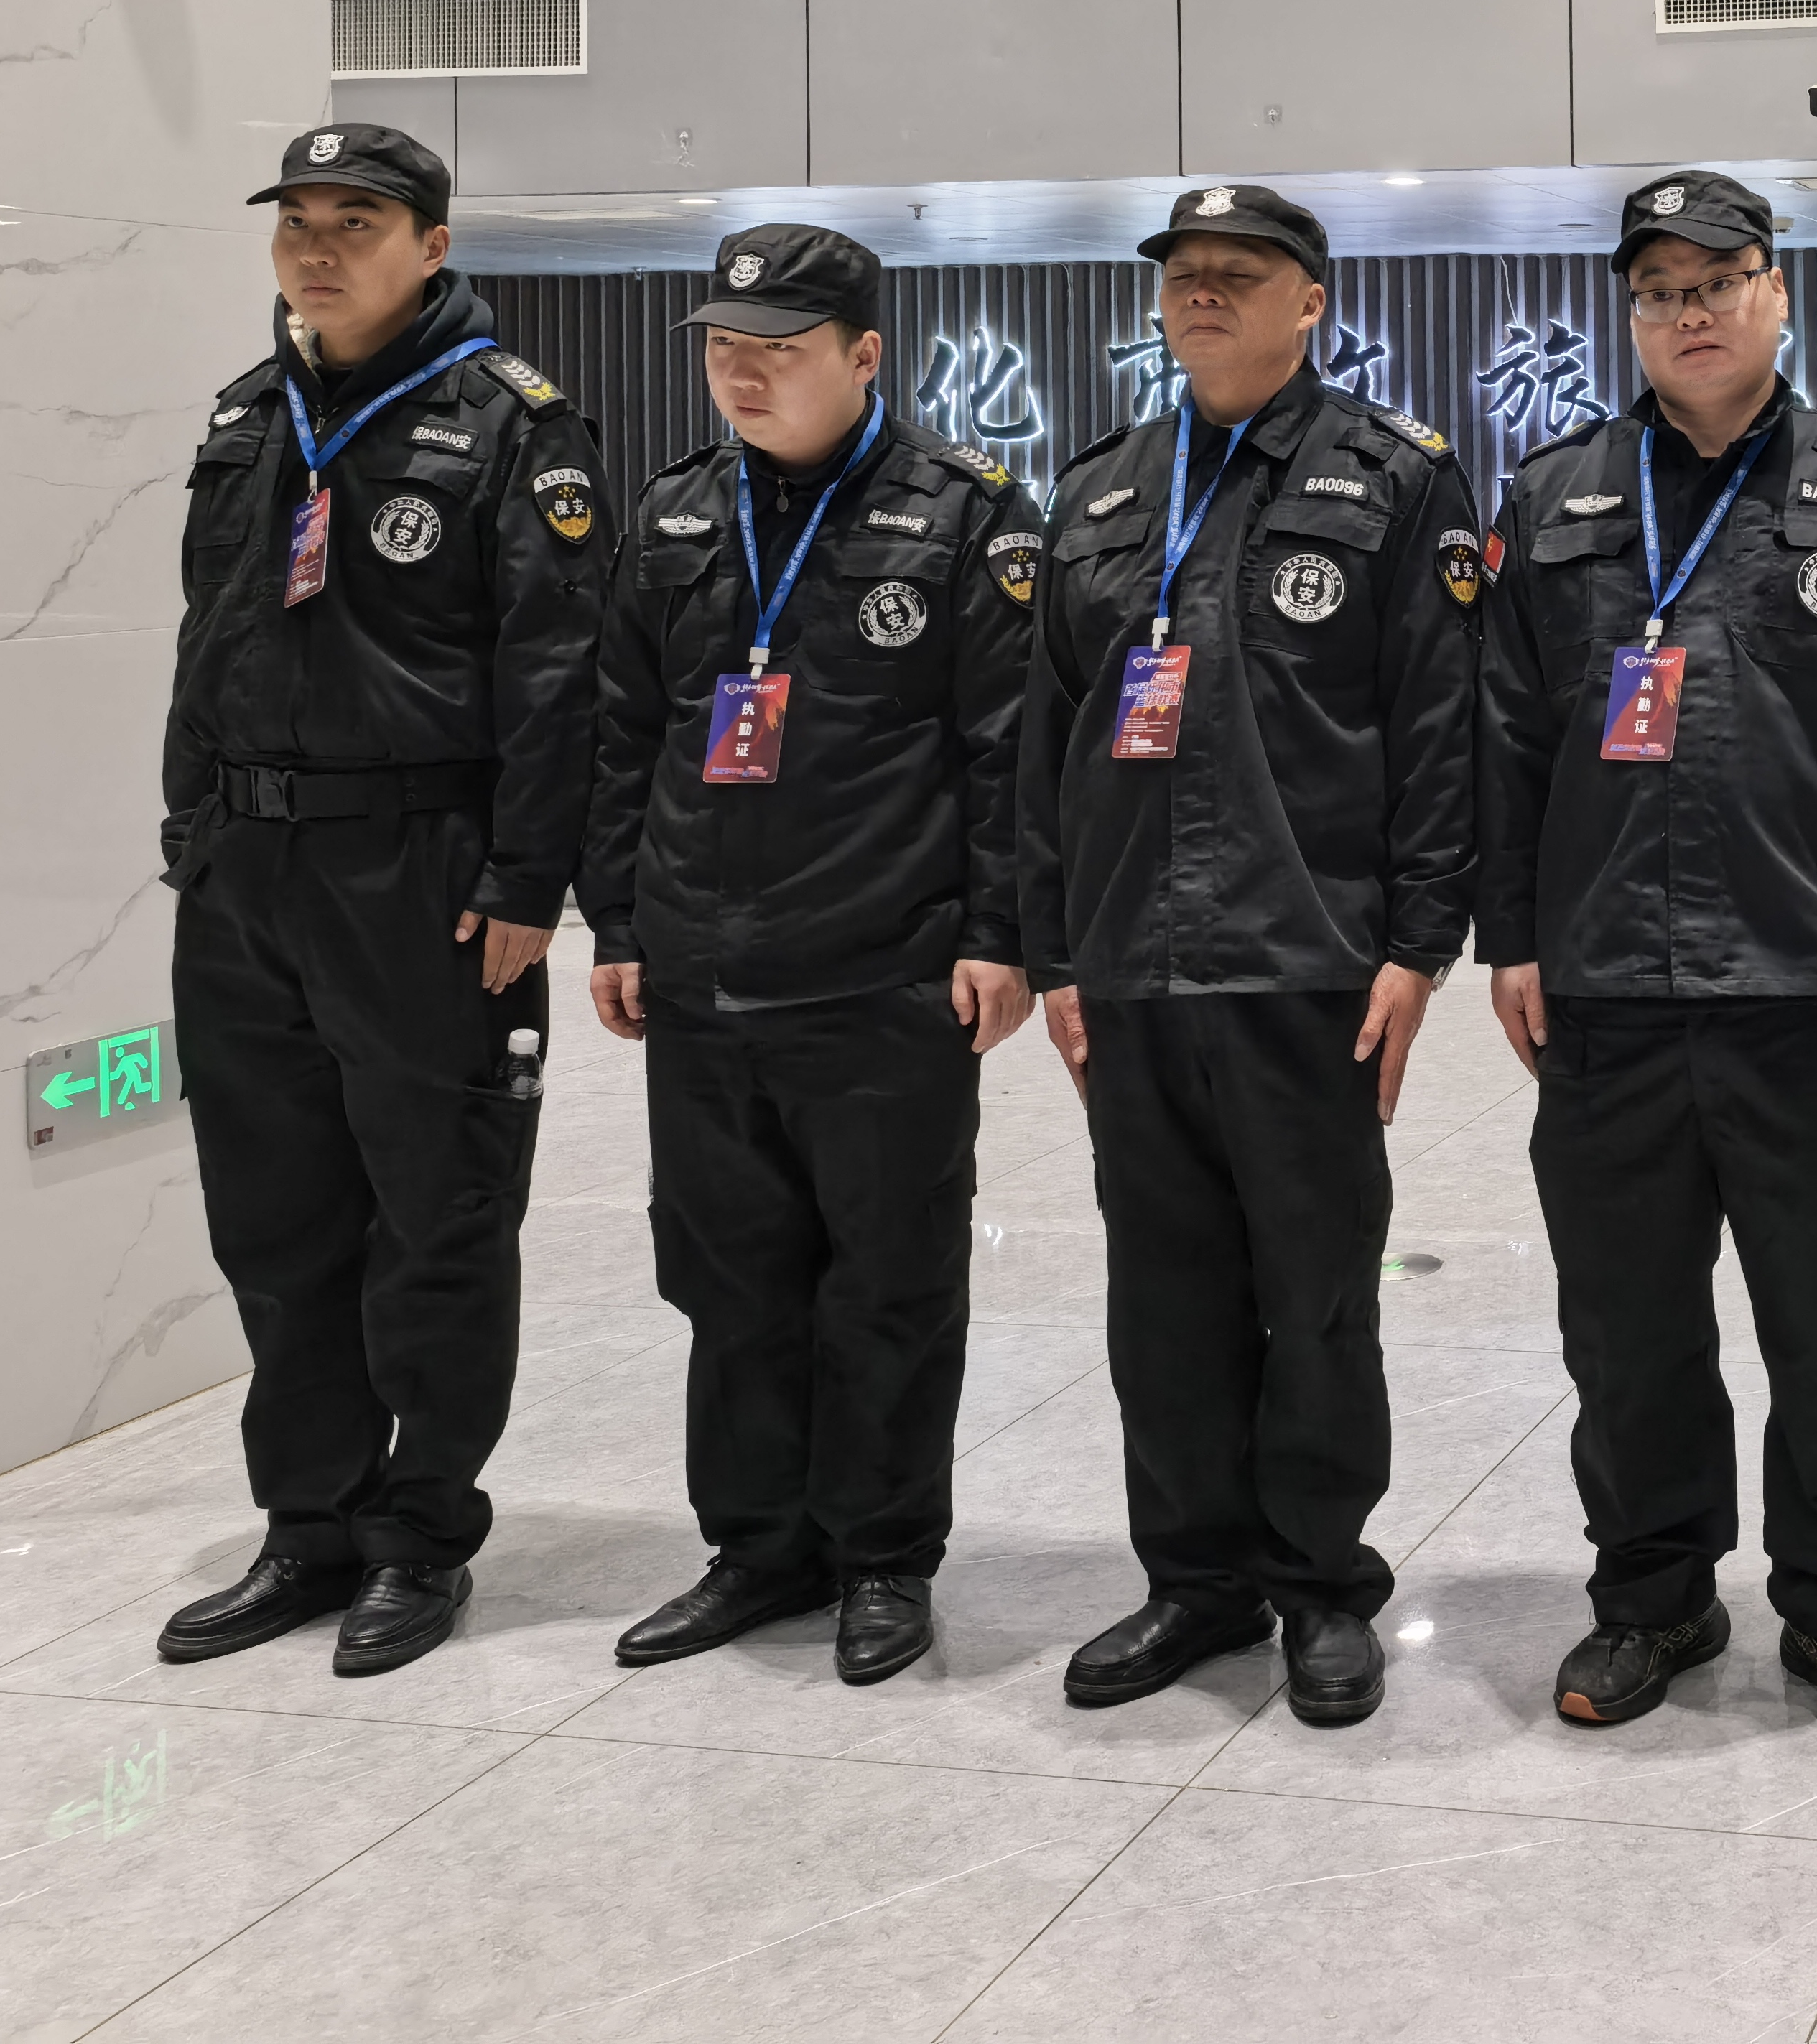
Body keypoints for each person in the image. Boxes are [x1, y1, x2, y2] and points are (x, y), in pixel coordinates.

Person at [1474, 168, 1817, 1745]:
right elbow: (1506, 737)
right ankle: (1654, 1597)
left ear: (1776, 293)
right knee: (1626, 1327)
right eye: (1659, 292)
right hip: (1607, 992)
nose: (1688, 313)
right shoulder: (1554, 496)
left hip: (1810, 985)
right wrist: (1513, 936)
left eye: (1717, 283)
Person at [1021, 185, 1482, 1726]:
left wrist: (1420, 944)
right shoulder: (1099, 491)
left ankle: (1321, 1584)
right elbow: (1045, 743)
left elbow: (1438, 724)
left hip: (1309, 964)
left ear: (1311, 302)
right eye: (1183, 277)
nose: (1202, 295)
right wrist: (1055, 954)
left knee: (1316, 1294)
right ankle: (1195, 1581)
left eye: (1238, 274)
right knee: (1163, 1299)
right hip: (1131, 965)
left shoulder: (1393, 480)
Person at [156, 125, 609, 1678]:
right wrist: (190, 829)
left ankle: (420, 1536)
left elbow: (559, 676)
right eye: (298, 221)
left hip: (422, 875)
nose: (317, 247)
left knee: (437, 1217)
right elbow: (206, 634)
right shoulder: (248, 413)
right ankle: (310, 1524)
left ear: (431, 245)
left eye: (356, 221)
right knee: (275, 1219)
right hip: (246, 873)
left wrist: (529, 879)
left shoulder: (511, 426)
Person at [581, 223, 1042, 1688]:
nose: (745, 373)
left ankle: (884, 1557)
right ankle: (758, 1548)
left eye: (779, 349)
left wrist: (1000, 937)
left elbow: (1008, 750)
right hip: (702, 975)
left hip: (882, 972)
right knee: (730, 1282)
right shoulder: (674, 515)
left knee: (888, 1284)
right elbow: (624, 734)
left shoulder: (964, 516)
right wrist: (619, 921)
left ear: (864, 356)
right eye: (726, 346)